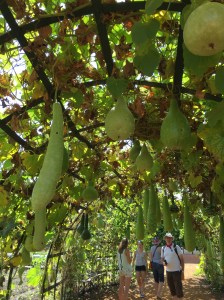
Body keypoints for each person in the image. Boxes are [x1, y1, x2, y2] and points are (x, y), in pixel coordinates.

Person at [161, 233, 185, 300]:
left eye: (169, 238)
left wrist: (182, 271)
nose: (168, 239)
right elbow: (162, 259)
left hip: (177, 271)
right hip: (168, 272)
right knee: (172, 289)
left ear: (172, 239)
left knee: (179, 289)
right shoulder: (163, 248)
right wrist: (163, 263)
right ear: (165, 239)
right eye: (167, 238)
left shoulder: (176, 247)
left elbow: (182, 259)